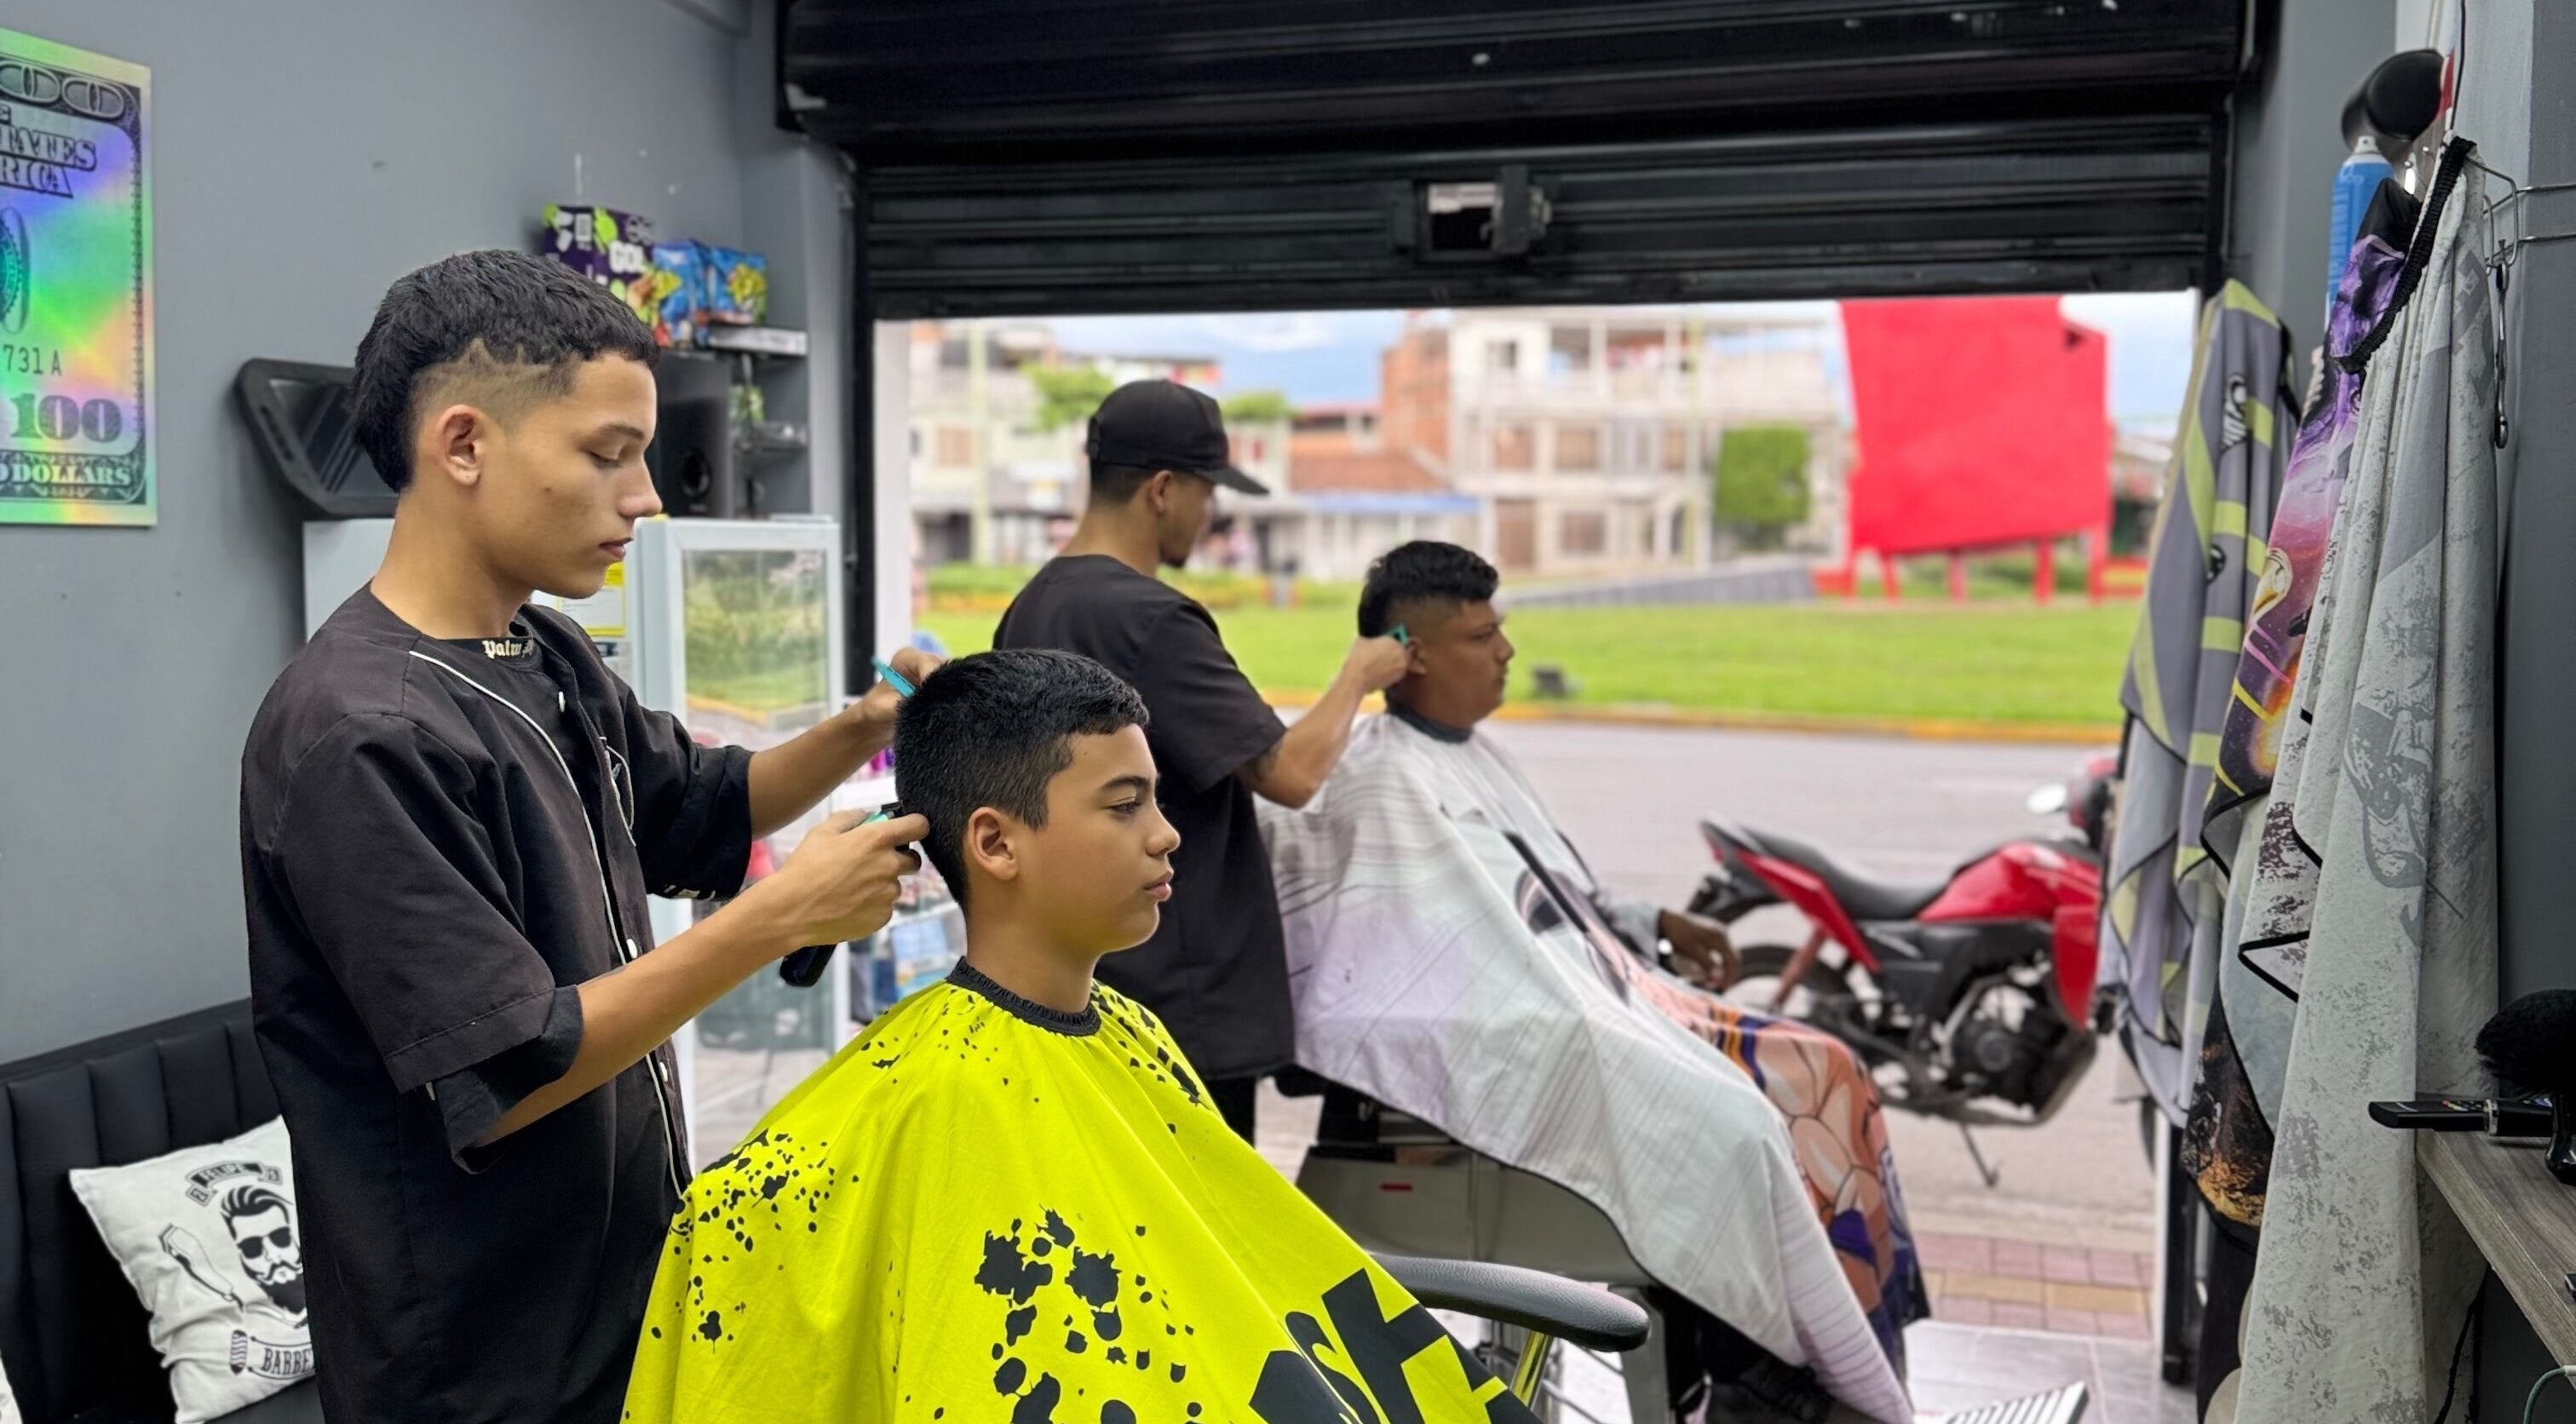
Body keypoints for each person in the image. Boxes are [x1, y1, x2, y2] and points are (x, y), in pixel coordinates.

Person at [239, 250, 933, 1424]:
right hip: (481, 1370)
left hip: (626, 1306)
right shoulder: (357, 735)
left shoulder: (545, 654)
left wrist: (873, 721)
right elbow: (514, 1070)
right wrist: (781, 917)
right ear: (463, 446)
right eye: (608, 455)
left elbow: (706, 803)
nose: (648, 496)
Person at [622, 650, 1538, 1424]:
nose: (1167, 835)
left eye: (1157, 802)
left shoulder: (1130, 1034)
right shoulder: (924, 1098)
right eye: (1124, 804)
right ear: (994, 843)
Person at [1262, 542, 1928, 1424]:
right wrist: (1569, 1020)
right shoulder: (1374, 774)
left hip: (1607, 1001)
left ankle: (1830, 1365)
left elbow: (1547, 898)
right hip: (1536, 1035)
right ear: (1410, 652)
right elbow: (1376, 975)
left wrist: (1652, 924)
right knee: (1737, 1127)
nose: (1505, 652)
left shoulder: (1475, 757)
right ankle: (1762, 1377)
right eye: (1480, 635)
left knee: (1827, 1069)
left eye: (1501, 630)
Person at [992, 379, 1407, 1140]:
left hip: (1077, 984)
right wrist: (1360, 675)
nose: (1210, 513)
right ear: (1162, 489)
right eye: (1206, 491)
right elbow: (1289, 773)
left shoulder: (1031, 606)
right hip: (1178, 1003)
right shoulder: (1151, 617)